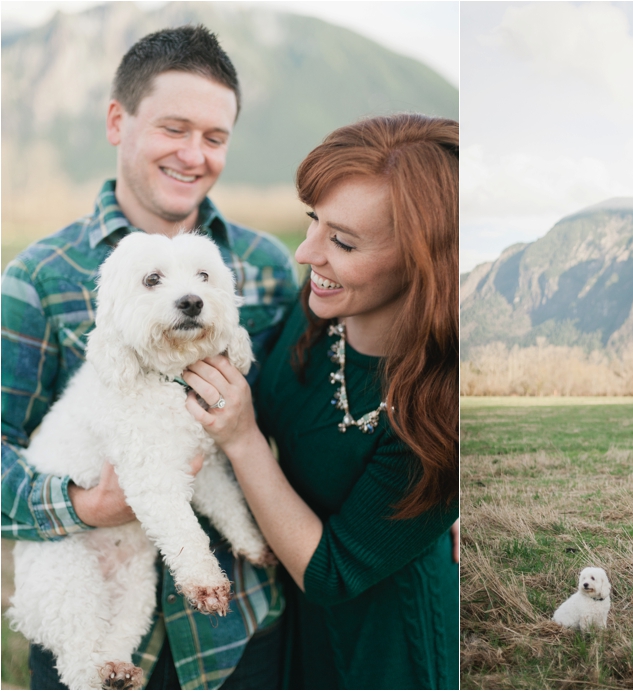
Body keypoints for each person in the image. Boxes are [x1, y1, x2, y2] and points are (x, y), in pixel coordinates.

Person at [1, 26, 299, 689]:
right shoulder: (39, 278)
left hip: (239, 637)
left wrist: (431, 487)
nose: (195, 155)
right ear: (118, 119)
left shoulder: (265, 267)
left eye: (215, 137)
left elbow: (312, 417)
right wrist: (85, 504)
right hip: (91, 619)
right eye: (174, 128)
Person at [180, 113, 460, 689]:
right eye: (314, 221)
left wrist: (243, 439)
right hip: (294, 629)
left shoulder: (443, 415)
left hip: (386, 652)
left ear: (424, 262)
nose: (307, 253)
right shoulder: (319, 310)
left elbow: (332, 571)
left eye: (343, 241)